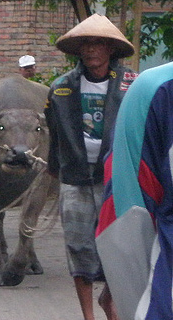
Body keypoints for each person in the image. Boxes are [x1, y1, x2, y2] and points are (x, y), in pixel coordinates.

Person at [44, 13, 137, 320]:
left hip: (117, 179)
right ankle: (88, 316)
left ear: (111, 49)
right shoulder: (60, 89)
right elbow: (54, 135)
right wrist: (55, 170)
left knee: (118, 249)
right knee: (79, 248)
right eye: (85, 43)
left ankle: (109, 300)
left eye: (98, 44)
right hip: (75, 179)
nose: (91, 50)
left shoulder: (130, 86)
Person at [96, 61, 173, 320]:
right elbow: (126, 219)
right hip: (83, 171)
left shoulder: (126, 79)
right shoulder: (154, 90)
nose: (93, 52)